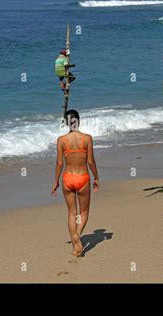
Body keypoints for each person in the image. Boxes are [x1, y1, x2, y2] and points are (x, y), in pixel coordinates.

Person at [51, 109, 99, 257]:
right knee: (84, 212)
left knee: (72, 213)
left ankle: (75, 247)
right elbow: (90, 161)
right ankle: (77, 234)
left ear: (66, 122)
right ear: (79, 120)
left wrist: (56, 182)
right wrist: (96, 178)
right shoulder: (87, 139)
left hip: (67, 179)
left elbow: (59, 163)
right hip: (82, 178)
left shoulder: (61, 140)